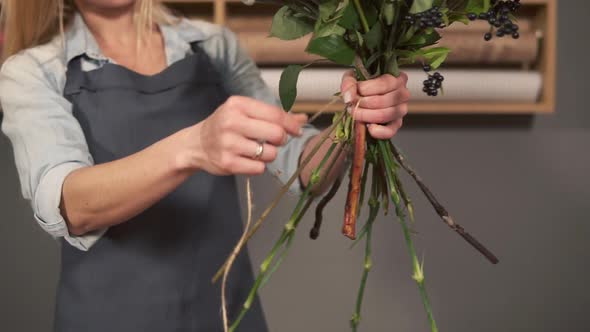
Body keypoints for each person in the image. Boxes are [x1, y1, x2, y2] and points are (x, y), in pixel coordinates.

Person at [0, 0, 410, 331]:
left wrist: (352, 121)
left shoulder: (214, 47)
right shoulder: (33, 73)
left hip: (226, 316)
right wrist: (195, 145)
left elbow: (302, 166)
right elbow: (72, 205)